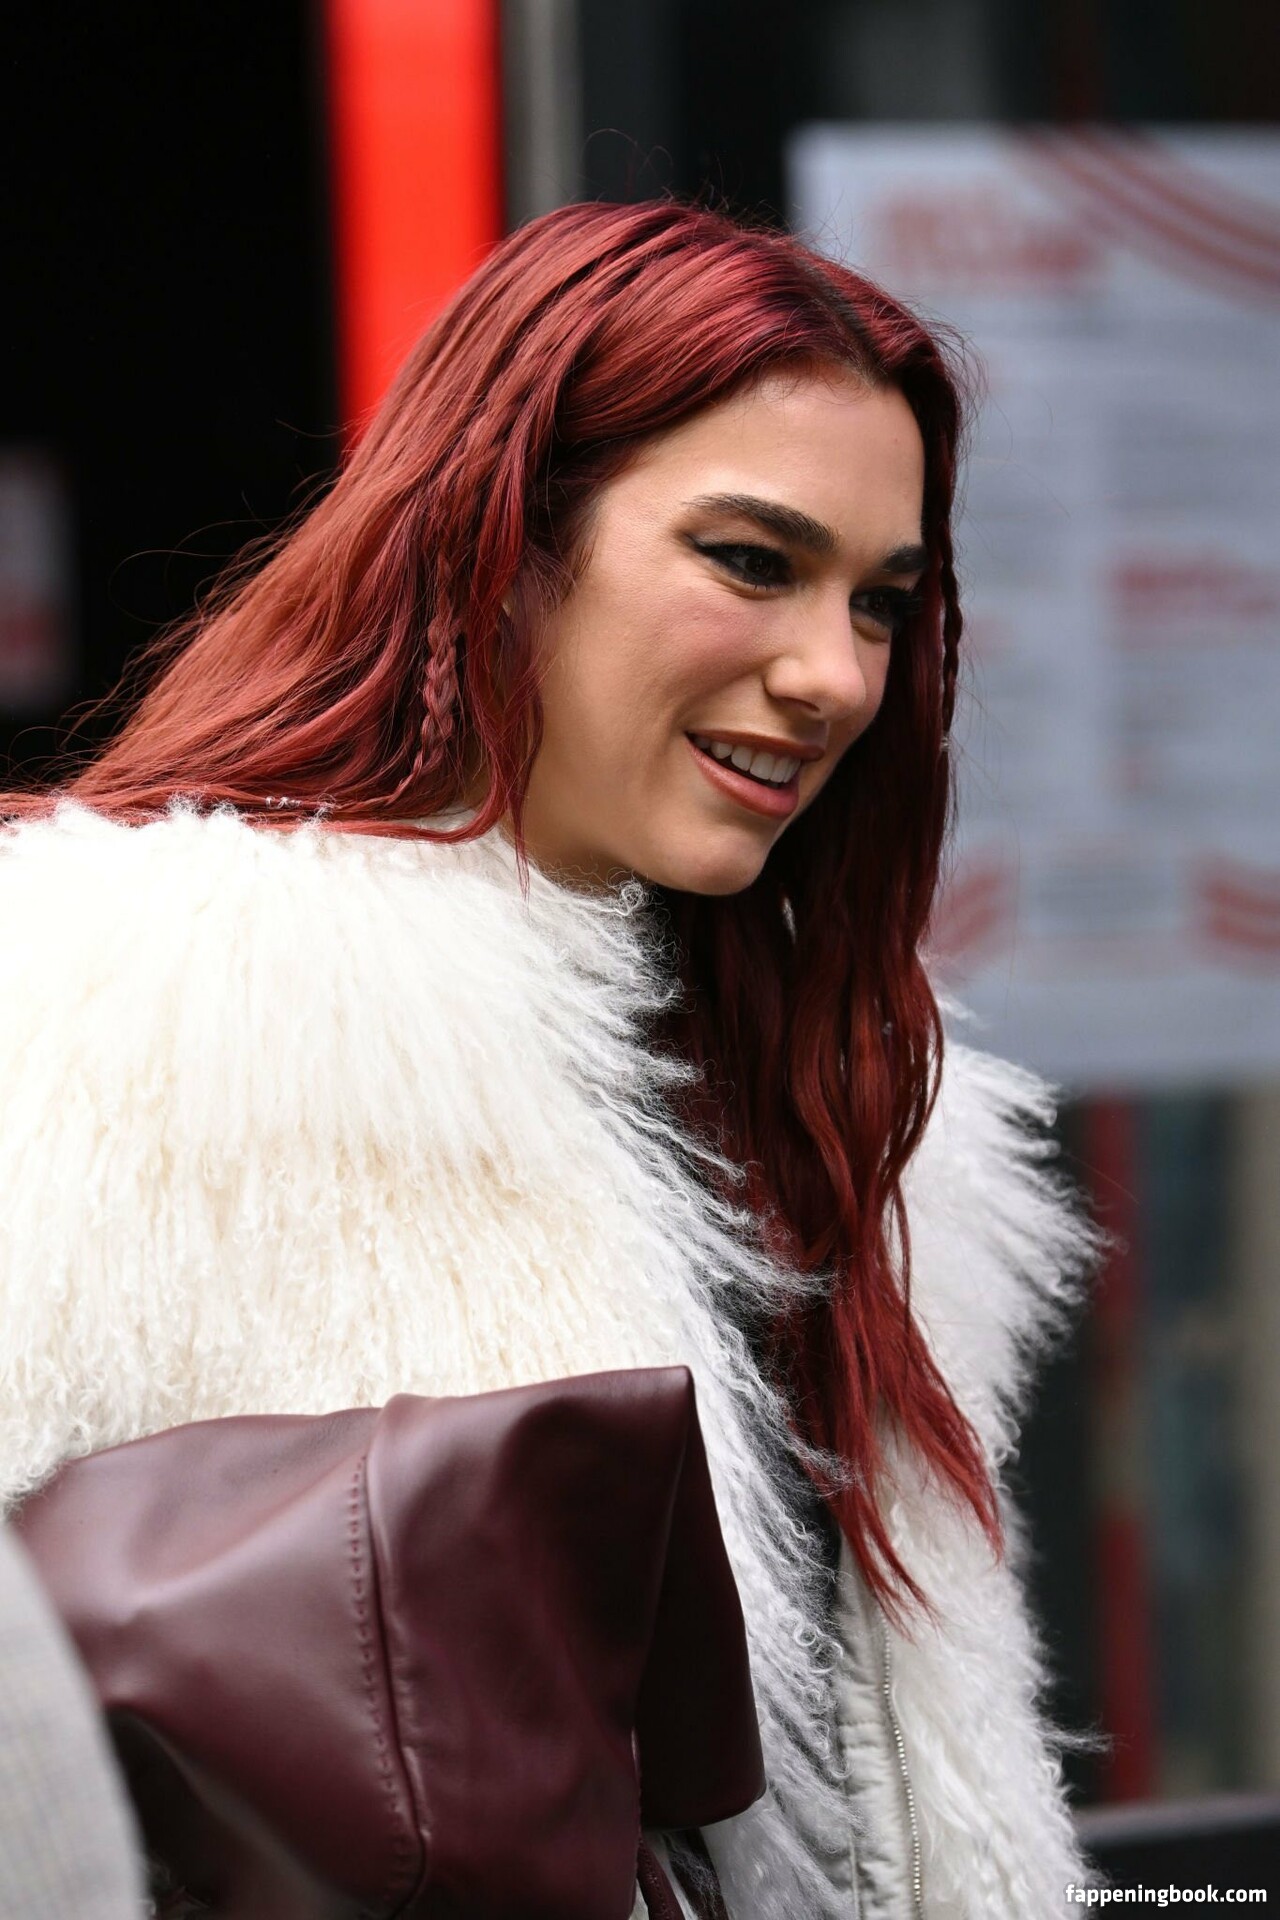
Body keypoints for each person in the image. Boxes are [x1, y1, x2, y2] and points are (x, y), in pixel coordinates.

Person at [0, 198, 1098, 1917]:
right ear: (504, 537)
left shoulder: (861, 1113)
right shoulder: (126, 1013)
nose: (835, 676)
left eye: (883, 602)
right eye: (753, 562)